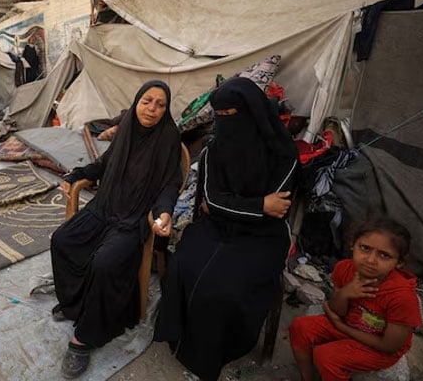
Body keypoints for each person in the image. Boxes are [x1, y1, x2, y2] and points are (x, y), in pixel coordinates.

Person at [153, 76, 299, 380]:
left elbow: (277, 211)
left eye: (231, 115)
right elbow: (211, 200)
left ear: (253, 112)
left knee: (224, 289)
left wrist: (234, 206)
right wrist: (259, 205)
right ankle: (178, 336)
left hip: (262, 238)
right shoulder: (213, 151)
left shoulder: (283, 155)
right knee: (182, 265)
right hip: (217, 227)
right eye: (220, 116)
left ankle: (212, 355)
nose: (225, 122)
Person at [51, 80, 182, 379]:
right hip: (104, 209)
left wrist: (164, 213)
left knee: (105, 261)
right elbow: (103, 164)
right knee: (62, 240)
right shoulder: (127, 130)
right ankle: (76, 304)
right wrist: (77, 175)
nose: (152, 109)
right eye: (147, 101)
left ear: (166, 109)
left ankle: (83, 337)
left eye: (160, 104)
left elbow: (170, 184)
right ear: (137, 101)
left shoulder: (168, 139)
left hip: (135, 217)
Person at [289, 217, 421, 381]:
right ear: (353, 245)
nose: (371, 260)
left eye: (384, 255)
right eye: (365, 248)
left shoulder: (402, 297)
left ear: (399, 263)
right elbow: (337, 310)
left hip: (376, 346)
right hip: (350, 324)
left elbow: (389, 347)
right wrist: (345, 293)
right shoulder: (344, 269)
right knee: (300, 327)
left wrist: (341, 326)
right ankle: (306, 378)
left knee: (326, 356)